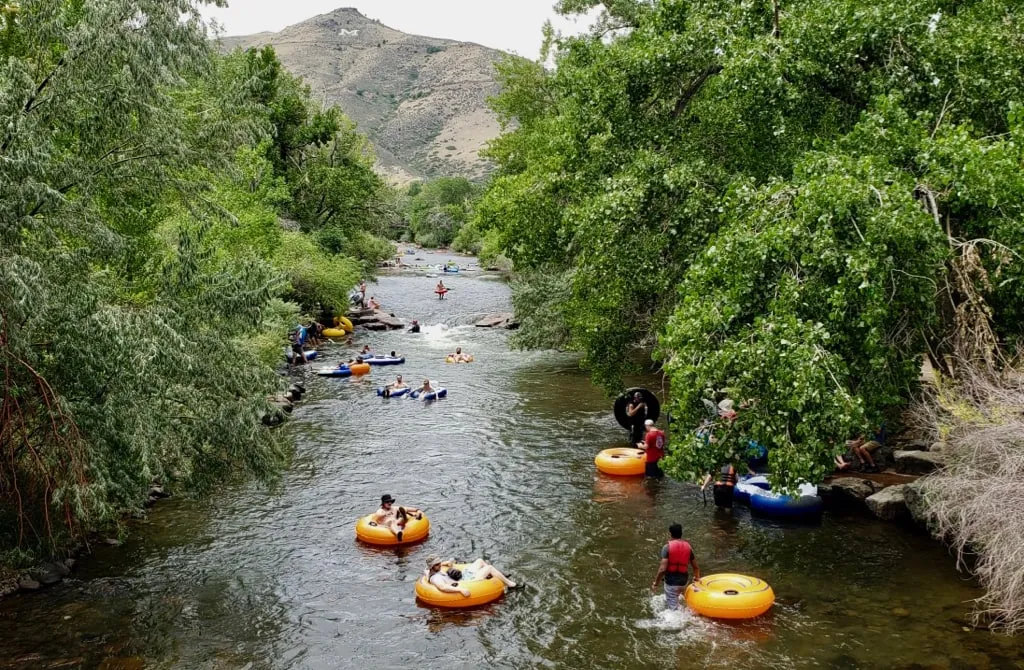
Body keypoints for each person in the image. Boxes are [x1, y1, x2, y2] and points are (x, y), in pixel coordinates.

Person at [651, 523, 700, 610]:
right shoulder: (688, 547)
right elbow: (696, 567)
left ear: (670, 534)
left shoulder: (667, 548)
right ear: (681, 533)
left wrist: (656, 583)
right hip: (684, 582)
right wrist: (696, 579)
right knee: (681, 602)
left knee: (673, 611)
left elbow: (662, 569)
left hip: (671, 583)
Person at [424, 555, 518, 592]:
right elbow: (443, 587)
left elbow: (426, 571)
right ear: (432, 566)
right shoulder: (435, 578)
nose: (439, 565)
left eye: (439, 563)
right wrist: (460, 590)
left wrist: (447, 562)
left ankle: (497, 574)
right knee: (488, 568)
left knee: (480, 561)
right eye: (437, 564)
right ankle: (510, 585)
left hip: (462, 576)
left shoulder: (432, 570)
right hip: (467, 582)